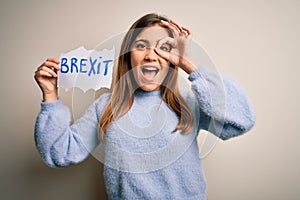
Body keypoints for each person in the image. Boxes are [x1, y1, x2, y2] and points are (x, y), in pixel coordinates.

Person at [34, 13, 256, 200]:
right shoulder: (107, 107)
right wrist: (50, 95)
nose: (151, 55)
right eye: (141, 46)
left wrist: (189, 63)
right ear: (129, 56)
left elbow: (241, 120)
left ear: (173, 59)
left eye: (164, 48)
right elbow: (59, 153)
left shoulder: (189, 102)